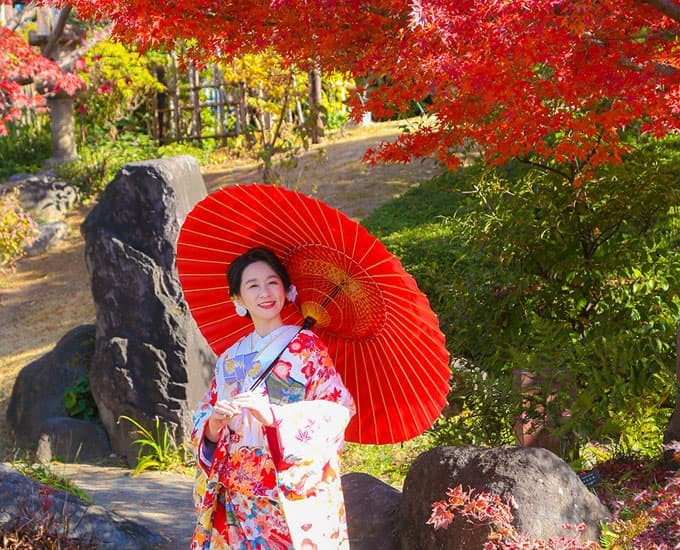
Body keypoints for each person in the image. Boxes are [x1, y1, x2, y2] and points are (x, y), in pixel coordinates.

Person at [190, 247, 356, 549]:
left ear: (286, 288)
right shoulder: (230, 358)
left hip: (288, 489)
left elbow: (338, 409)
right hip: (238, 493)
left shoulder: (305, 347)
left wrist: (275, 418)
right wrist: (213, 426)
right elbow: (204, 417)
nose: (265, 292)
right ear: (238, 299)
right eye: (252, 285)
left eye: (272, 282)